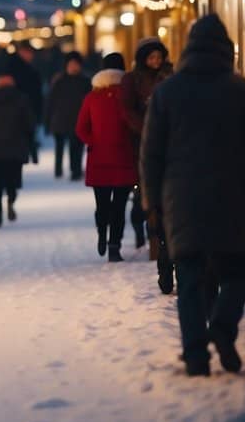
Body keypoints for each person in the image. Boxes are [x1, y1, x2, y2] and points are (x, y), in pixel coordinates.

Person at [142, 15, 245, 376]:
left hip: (180, 197)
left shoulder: (167, 93)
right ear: (227, 51)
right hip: (230, 194)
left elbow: (151, 152)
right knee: (236, 271)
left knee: (189, 277)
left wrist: (151, 201)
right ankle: (222, 328)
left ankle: (196, 355)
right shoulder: (242, 90)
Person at [122, 37, 175, 287]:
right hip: (142, 145)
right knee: (147, 201)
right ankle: (155, 248)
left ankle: (165, 254)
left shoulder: (171, 75)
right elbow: (127, 110)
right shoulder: (133, 80)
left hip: (172, 148)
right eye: (151, 58)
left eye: (158, 57)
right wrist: (146, 128)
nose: (155, 62)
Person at [75, 53, 136, 263]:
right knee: (119, 206)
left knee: (102, 204)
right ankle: (114, 245)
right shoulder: (129, 96)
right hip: (124, 158)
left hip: (99, 159)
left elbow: (81, 128)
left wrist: (94, 142)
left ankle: (102, 233)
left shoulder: (92, 97)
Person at [0, 74, 36, 228]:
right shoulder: (22, 99)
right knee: (12, 181)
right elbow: (29, 125)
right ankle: (10, 200)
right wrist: (30, 146)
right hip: (15, 148)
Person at [45, 51, 92, 180]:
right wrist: (48, 121)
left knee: (76, 145)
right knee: (59, 146)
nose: (73, 67)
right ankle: (58, 170)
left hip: (77, 118)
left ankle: (75, 170)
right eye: (71, 64)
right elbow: (51, 102)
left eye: (76, 64)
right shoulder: (59, 81)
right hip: (61, 119)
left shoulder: (85, 81)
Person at [9, 44, 44, 164]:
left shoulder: (18, 67)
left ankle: (31, 154)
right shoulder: (22, 69)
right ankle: (31, 155)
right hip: (24, 105)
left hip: (24, 105)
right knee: (26, 131)